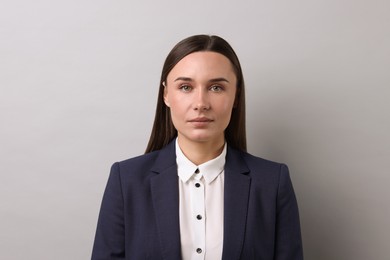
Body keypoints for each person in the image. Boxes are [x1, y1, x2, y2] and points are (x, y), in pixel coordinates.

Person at [91, 34, 303, 260]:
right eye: (185, 87)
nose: (201, 103)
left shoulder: (272, 182)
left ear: (236, 95)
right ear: (166, 94)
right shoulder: (126, 180)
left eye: (216, 88)